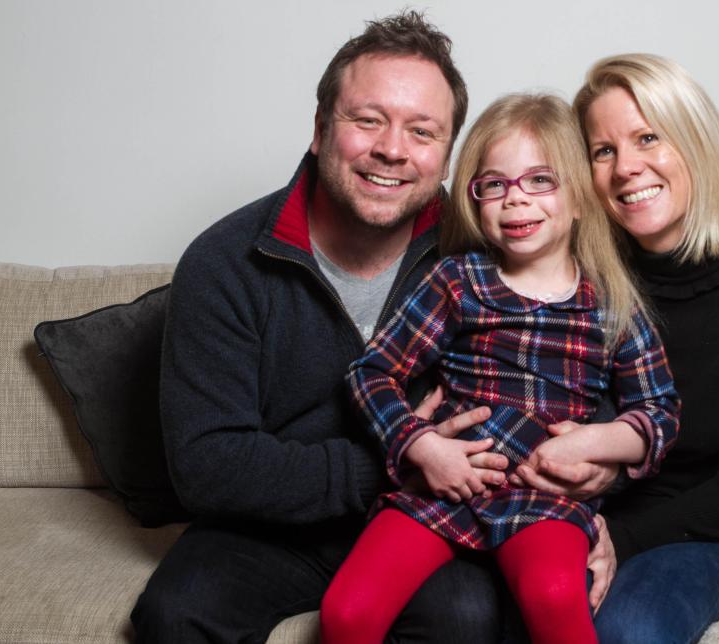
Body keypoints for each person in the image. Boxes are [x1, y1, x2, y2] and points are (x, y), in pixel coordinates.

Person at [130, 12, 515, 642]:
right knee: (176, 613)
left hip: (431, 520)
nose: (392, 148)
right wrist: (396, 459)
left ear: (447, 157)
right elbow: (207, 465)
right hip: (270, 532)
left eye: (423, 131)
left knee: (469, 616)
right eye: (367, 120)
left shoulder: (480, 258)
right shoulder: (225, 261)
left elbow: (558, 379)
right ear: (319, 129)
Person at [319, 94, 680, 644]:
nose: (515, 202)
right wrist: (422, 446)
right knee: (347, 612)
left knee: (556, 597)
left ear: (580, 197)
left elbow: (660, 410)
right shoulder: (458, 280)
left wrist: (600, 442)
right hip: (447, 485)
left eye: (540, 181)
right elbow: (371, 373)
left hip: (546, 496)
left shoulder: (611, 302)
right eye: (494, 184)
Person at [516, 53, 719, 642]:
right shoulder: (574, 276)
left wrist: (618, 537)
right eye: (603, 151)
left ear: (696, 142)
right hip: (557, 512)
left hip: (695, 530)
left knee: (632, 631)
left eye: (648, 137)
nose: (627, 167)